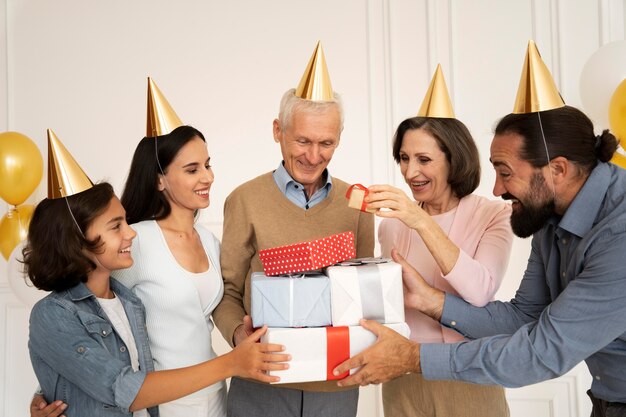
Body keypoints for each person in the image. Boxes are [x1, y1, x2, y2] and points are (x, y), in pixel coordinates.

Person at [333, 104, 626, 417]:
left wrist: (412, 358)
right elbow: (523, 317)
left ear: (557, 170)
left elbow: (541, 352)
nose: (497, 188)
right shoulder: (549, 217)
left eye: (506, 173)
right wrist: (433, 302)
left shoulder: (618, 234)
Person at [27, 133, 289, 417]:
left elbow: (109, 346)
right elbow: (100, 352)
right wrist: (49, 390)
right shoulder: (135, 247)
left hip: (211, 396)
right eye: (192, 169)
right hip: (164, 403)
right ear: (159, 179)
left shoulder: (204, 243)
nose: (207, 177)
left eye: (207, 165)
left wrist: (240, 335)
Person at [212, 42, 375, 417]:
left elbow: (364, 297)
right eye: (302, 140)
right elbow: (228, 292)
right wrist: (240, 335)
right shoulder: (245, 199)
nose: (313, 156)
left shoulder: (357, 204)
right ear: (278, 131)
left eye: (326, 143)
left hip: (336, 383)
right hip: (262, 381)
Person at [368, 72, 513, 416]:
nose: (409, 172)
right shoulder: (390, 225)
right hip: (404, 377)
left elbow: (479, 292)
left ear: (453, 159)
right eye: (404, 158)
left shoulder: (494, 215)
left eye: (424, 159)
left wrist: (419, 220)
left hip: (470, 376)